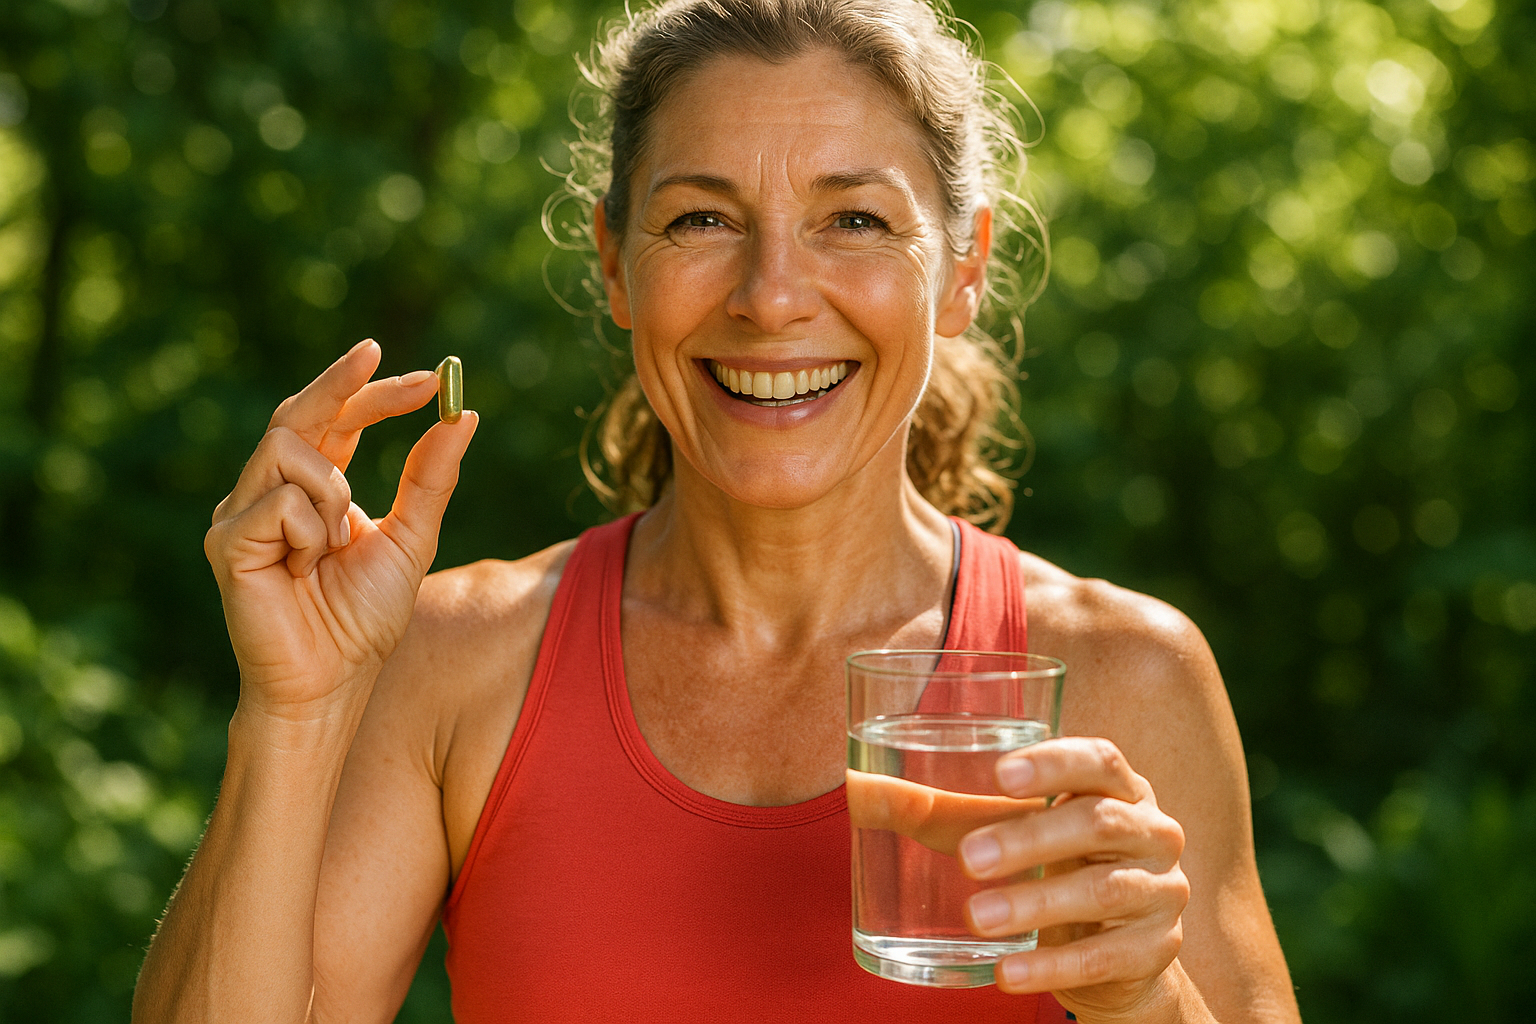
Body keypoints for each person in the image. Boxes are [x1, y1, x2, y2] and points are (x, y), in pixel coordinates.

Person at [133, 0, 1302, 1020]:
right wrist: (296, 711)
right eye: (701, 219)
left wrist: (1145, 1000)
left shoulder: (1120, 678)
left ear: (963, 269)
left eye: (853, 220)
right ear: (614, 263)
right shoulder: (454, 660)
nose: (772, 296)